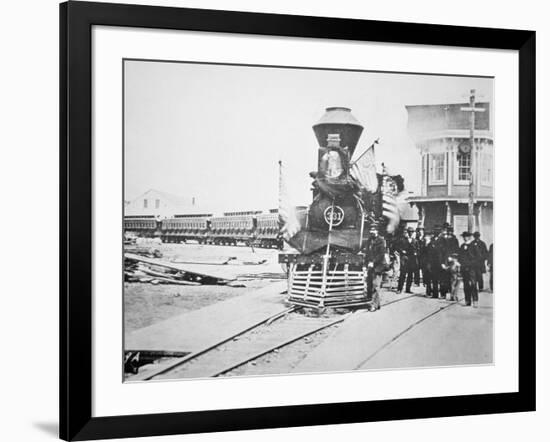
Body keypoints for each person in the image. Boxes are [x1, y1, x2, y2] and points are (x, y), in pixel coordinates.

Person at [364, 224, 387, 311]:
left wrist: (373, 262)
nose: (371, 231)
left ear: (377, 231)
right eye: (371, 230)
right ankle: (377, 304)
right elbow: (367, 252)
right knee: (370, 285)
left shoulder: (381, 241)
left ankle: (373, 305)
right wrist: (366, 263)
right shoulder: (369, 240)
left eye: (373, 230)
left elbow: (381, 254)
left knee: (375, 285)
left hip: (378, 266)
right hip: (370, 266)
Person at [458, 231, 482, 307]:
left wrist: (472, 264)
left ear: (469, 237)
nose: (465, 238)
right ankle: (467, 301)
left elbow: (479, 257)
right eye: (464, 237)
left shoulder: (474, 245)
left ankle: (475, 301)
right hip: (464, 268)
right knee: (466, 285)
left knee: (473, 284)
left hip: (472, 268)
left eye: (467, 236)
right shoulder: (462, 246)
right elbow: (460, 257)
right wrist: (460, 263)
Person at [396, 226, 419, 294]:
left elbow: (418, 249)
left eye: (412, 232)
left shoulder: (415, 241)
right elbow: (398, 247)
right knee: (402, 274)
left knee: (410, 275)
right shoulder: (402, 240)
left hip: (412, 259)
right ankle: (399, 288)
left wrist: (416, 253)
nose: (410, 233)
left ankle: (408, 289)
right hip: (404, 259)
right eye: (409, 232)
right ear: (407, 232)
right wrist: (402, 251)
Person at [419, 231, 441, 298]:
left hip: (433, 264)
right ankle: (428, 292)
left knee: (434, 279)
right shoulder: (424, 244)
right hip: (425, 264)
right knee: (427, 279)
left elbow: (436, 255)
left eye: (426, 236)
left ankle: (435, 294)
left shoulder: (432, 244)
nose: (425, 237)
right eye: (425, 236)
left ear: (429, 237)